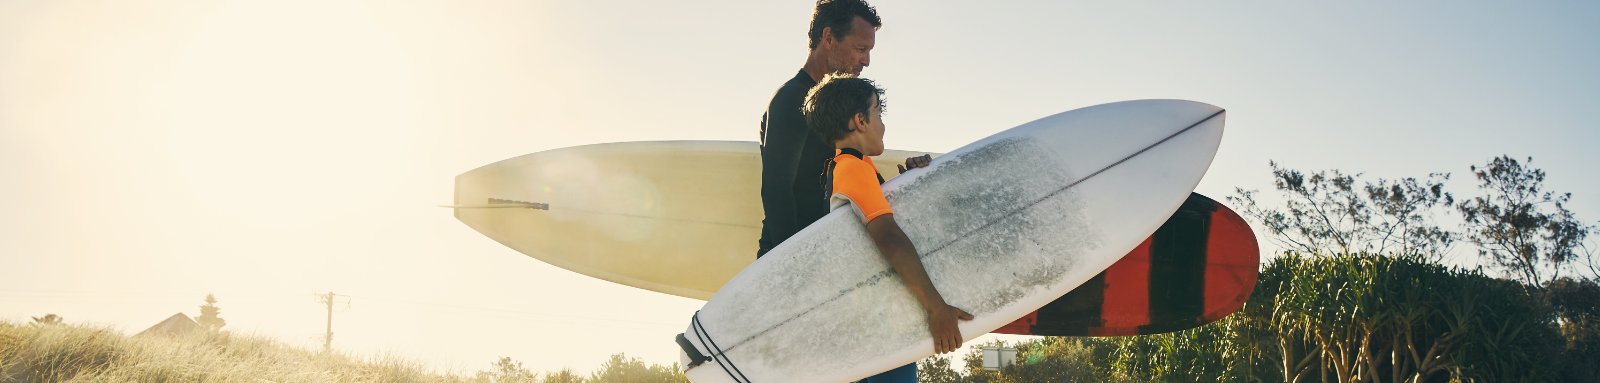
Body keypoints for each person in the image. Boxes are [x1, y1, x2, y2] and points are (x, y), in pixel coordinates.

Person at [803, 73, 970, 383]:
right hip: (877, 326)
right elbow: (890, 239)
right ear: (860, 121)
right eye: (878, 112)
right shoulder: (853, 169)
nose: (883, 123)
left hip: (865, 324)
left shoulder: (847, 168)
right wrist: (936, 308)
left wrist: (910, 185)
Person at [759, 0, 892, 258]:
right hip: (791, 261)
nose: (866, 61)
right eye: (860, 48)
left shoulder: (839, 110)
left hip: (825, 257)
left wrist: (910, 176)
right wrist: (793, 262)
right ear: (829, 37)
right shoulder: (792, 98)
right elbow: (777, 189)